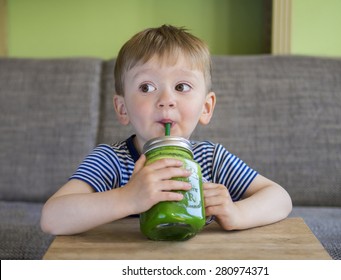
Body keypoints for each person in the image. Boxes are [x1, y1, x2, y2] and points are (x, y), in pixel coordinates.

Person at [40, 25, 292, 235]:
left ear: (206, 107)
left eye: (182, 87)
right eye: (146, 87)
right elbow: (52, 218)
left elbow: (280, 198)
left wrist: (237, 213)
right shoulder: (111, 161)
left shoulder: (212, 160)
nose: (166, 99)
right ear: (122, 108)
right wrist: (127, 198)